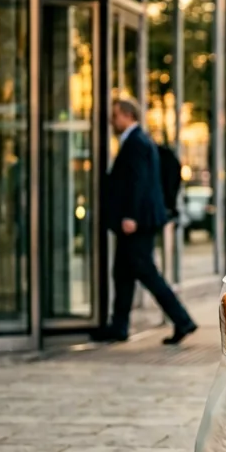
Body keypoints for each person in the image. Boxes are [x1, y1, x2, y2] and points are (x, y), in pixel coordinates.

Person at [94, 97, 197, 345]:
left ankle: (182, 320)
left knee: (147, 273)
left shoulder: (136, 142)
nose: (112, 120)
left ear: (128, 116)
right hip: (136, 221)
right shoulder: (136, 141)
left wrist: (130, 216)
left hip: (137, 222)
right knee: (123, 273)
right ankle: (119, 326)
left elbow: (138, 182)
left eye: (115, 115)